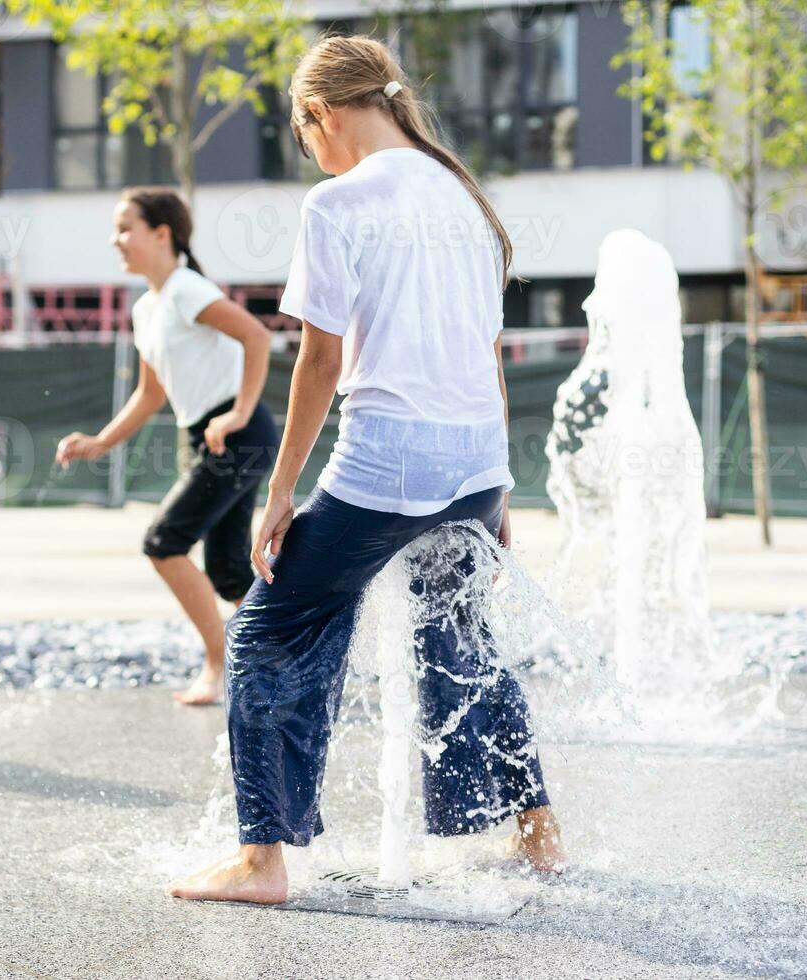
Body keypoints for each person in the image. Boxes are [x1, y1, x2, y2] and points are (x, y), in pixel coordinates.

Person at [168, 36, 564, 905]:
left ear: (323, 115)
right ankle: (537, 831)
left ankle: (263, 861)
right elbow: (486, 352)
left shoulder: (338, 202)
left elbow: (318, 363)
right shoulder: (462, 194)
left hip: (390, 466)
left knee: (271, 630)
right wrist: (498, 489)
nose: (311, 150)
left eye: (304, 131)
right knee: (460, 638)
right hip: (474, 463)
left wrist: (278, 495)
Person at [57, 187, 277, 706]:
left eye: (125, 227)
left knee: (163, 542)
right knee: (227, 572)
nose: (116, 240)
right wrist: (99, 442)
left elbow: (256, 337)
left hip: (238, 435)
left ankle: (221, 665)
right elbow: (151, 393)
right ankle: (284, 660)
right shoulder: (146, 308)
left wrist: (240, 412)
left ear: (162, 234)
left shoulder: (185, 289)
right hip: (206, 436)